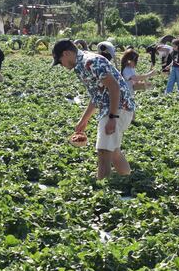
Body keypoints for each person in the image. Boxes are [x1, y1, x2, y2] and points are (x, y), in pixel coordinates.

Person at [52, 39, 136, 179]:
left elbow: (114, 88)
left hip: (118, 108)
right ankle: (128, 179)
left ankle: (102, 192)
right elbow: (97, 95)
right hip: (114, 108)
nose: (61, 65)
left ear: (66, 54)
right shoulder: (81, 65)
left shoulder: (90, 62)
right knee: (113, 151)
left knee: (103, 151)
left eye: (60, 61)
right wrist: (83, 121)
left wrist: (112, 117)